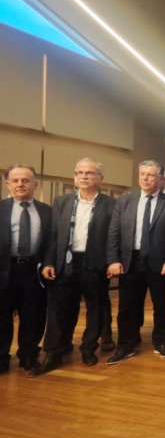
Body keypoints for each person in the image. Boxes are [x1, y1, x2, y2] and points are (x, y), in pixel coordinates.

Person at [32, 158, 115, 374]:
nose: (84, 176)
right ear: (75, 177)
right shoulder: (62, 201)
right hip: (65, 262)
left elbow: (114, 237)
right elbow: (53, 234)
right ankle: (54, 352)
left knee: (95, 308)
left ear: (100, 178)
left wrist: (112, 262)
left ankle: (88, 348)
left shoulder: (111, 204)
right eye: (80, 173)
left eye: (89, 173)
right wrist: (49, 261)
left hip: (95, 263)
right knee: (58, 308)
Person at [106, 160, 165, 364]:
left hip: (161, 263)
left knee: (162, 305)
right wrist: (113, 260)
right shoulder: (125, 201)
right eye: (142, 174)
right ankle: (126, 344)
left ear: (160, 178)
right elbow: (113, 233)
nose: (145, 178)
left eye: (150, 175)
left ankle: (161, 341)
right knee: (127, 306)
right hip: (130, 261)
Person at [0, 164, 52, 373]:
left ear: (35, 184)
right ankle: (1, 357)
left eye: (26, 180)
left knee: (33, 315)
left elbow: (51, 243)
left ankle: (29, 355)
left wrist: (48, 263)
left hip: (33, 271)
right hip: (4, 270)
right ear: (7, 184)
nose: (20, 184)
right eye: (15, 180)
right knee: (2, 316)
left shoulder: (47, 211)